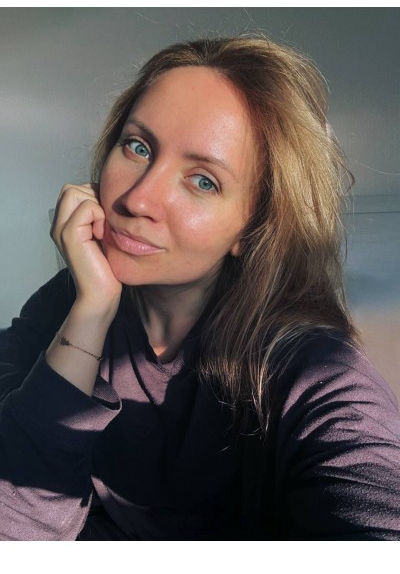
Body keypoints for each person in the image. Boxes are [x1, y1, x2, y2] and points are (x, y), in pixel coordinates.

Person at [1, 35, 399, 541]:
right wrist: (90, 312)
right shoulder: (67, 301)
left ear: (251, 230)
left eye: (203, 180)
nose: (138, 200)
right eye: (138, 147)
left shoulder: (310, 369)